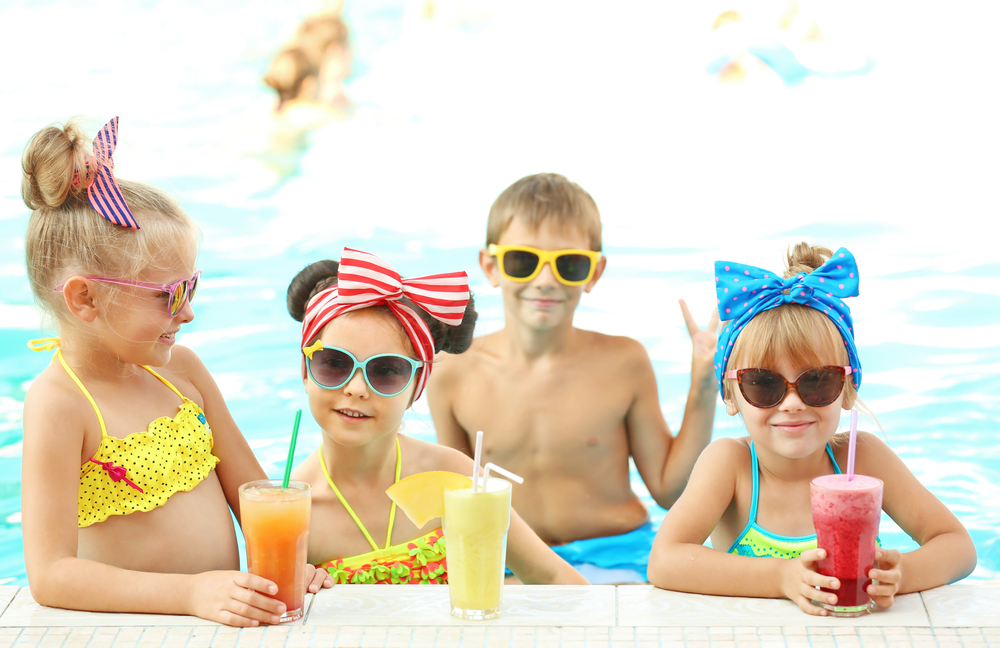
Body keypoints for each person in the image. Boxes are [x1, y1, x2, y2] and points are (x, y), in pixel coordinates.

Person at [19, 117, 330, 627]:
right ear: (85, 298)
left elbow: (253, 493)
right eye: (171, 295)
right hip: (137, 631)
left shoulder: (181, 371)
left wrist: (295, 558)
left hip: (227, 618)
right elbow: (51, 575)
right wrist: (190, 594)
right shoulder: (61, 403)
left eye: (193, 287)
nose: (187, 313)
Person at [647, 243, 977, 614]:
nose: (792, 403)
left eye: (817, 381)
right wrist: (780, 578)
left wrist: (902, 574)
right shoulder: (732, 467)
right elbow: (664, 561)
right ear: (731, 394)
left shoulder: (864, 458)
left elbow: (959, 547)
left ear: (848, 389)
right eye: (763, 383)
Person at [428, 173, 719, 583]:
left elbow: (670, 492)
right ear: (491, 266)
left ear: (594, 272)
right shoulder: (451, 372)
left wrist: (703, 383)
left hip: (621, 555)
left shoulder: (623, 361)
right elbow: (455, 503)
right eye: (523, 260)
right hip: (512, 562)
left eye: (569, 264)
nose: (545, 280)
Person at [287, 248, 588, 585]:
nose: (356, 388)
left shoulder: (453, 476)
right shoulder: (291, 512)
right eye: (334, 363)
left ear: (417, 385)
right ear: (304, 369)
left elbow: (550, 575)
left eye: (386, 370)